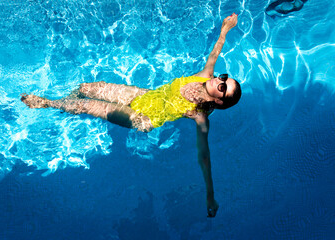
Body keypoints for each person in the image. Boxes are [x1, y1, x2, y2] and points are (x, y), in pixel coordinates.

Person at [21, 13, 241, 217]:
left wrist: (210, 195)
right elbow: (215, 51)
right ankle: (66, 105)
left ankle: (48, 104)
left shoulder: (200, 117)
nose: (219, 81)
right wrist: (225, 29)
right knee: (88, 88)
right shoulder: (204, 75)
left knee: (88, 105)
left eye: (223, 87)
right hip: (142, 96)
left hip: (142, 117)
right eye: (224, 78)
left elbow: (204, 157)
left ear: (219, 101)